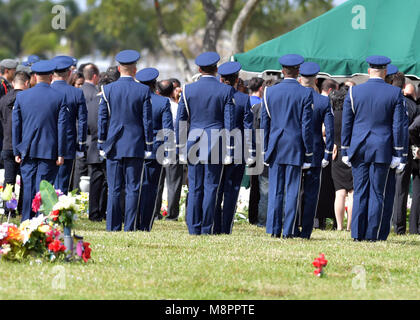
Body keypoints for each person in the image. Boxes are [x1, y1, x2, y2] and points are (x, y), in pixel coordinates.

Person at [341, 55, 404, 241]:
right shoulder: (394, 93)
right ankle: (372, 234)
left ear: (369, 71)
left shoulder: (354, 92)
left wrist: (345, 149)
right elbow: (397, 126)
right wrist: (398, 153)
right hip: (382, 148)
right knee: (377, 193)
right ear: (385, 72)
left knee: (360, 191)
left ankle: (357, 234)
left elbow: (347, 123)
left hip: (358, 147)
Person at [175, 51, 235, 235]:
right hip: (216, 141)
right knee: (211, 187)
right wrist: (230, 149)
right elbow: (229, 122)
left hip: (193, 140)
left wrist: (179, 146)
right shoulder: (225, 90)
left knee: (195, 187)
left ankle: (193, 227)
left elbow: (181, 121)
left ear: (199, 69)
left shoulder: (187, 89)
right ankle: (206, 227)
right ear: (216, 69)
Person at [97, 50, 153, 232]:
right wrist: (149, 144)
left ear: (119, 68)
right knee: (133, 188)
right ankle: (129, 226)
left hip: (113, 145)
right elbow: (147, 120)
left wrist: (101, 143)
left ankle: (112, 226)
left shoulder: (108, 89)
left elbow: (102, 119)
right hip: (135, 144)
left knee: (114, 188)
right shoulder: (143, 90)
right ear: (135, 69)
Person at [262, 54, 313, 239]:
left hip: (275, 144)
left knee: (275, 189)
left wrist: (265, 148)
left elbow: (265, 123)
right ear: (298, 71)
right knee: (292, 190)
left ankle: (274, 229)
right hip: (294, 145)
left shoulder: (269, 91)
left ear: (282, 71)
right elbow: (306, 125)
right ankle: (289, 229)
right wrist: (308, 151)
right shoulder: (306, 93)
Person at [12, 60, 67, 222]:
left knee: (28, 187)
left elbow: (16, 126)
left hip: (27, 149)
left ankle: (26, 222)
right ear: (51, 77)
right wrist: (61, 153)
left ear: (35, 76)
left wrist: (17, 150)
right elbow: (61, 127)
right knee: (44, 188)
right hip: (49, 150)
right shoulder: (59, 97)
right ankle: (42, 221)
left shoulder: (22, 96)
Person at [213, 61, 253, 234]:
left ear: (221, 79)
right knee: (232, 190)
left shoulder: (214, 96)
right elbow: (248, 127)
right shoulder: (243, 99)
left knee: (215, 188)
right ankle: (226, 226)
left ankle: (214, 224)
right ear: (237, 80)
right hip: (238, 149)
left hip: (215, 148)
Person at [295, 62, 334, 239]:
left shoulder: (295, 97)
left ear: (299, 78)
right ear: (316, 80)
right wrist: (327, 152)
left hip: (295, 149)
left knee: (293, 190)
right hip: (316, 149)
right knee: (311, 193)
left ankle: (293, 226)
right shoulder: (323, 100)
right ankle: (307, 230)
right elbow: (330, 129)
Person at [135, 68, 173, 231]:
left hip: (135, 147)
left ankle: (132, 221)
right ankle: (145, 224)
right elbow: (168, 130)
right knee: (151, 189)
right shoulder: (162, 102)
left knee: (133, 187)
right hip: (155, 150)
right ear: (154, 85)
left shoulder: (133, 99)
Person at [386, 70, 420, 237]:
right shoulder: (413, 105)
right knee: (401, 190)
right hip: (404, 151)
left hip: (385, 148)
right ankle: (398, 227)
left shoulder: (386, 100)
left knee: (383, 188)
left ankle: (383, 224)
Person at [51, 56, 88, 195]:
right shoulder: (76, 93)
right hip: (68, 142)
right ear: (69, 73)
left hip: (47, 142)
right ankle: (59, 213)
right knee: (63, 183)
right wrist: (81, 145)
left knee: (47, 183)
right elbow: (82, 121)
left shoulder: (46, 90)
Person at [153, 79, 186, 221]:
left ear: (158, 92)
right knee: (174, 183)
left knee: (157, 183)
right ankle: (172, 214)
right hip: (173, 147)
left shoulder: (153, 104)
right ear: (173, 91)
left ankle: (155, 212)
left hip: (158, 146)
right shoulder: (177, 107)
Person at [0, 71, 30, 218]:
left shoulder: (4, 100)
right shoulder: (27, 99)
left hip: (7, 144)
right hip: (23, 145)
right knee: (25, 179)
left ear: (13, 83)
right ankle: (23, 208)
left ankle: (7, 209)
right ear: (26, 83)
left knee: (9, 180)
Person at [314, 79, 339, 230]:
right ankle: (319, 221)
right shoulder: (324, 102)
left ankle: (318, 220)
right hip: (322, 146)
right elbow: (325, 129)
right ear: (330, 91)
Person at [330, 86, 354, 231]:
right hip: (351, 153)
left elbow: (324, 131)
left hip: (336, 153)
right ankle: (350, 226)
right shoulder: (351, 115)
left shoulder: (332, 116)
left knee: (339, 192)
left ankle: (339, 226)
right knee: (352, 193)